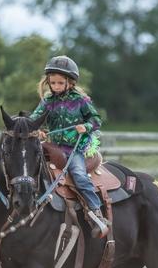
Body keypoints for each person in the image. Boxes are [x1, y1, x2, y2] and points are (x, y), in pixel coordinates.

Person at [29, 55, 109, 238]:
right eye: (53, 83)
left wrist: (86, 126)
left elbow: (96, 119)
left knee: (80, 176)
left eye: (59, 83)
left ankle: (96, 212)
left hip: (74, 149)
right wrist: (37, 130)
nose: (56, 87)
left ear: (70, 83)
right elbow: (34, 118)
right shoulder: (48, 101)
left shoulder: (81, 100)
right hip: (52, 146)